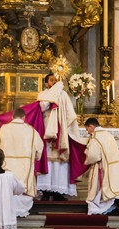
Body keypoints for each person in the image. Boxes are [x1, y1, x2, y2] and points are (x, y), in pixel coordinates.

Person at [36, 73, 87, 201]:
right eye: (52, 80)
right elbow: (42, 106)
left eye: (56, 80)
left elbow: (70, 115)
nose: (55, 82)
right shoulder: (43, 94)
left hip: (62, 131)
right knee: (48, 160)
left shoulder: (64, 95)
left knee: (61, 161)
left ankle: (59, 190)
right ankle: (46, 190)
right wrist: (54, 93)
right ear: (46, 83)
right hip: (47, 131)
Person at [0, 108, 44, 217]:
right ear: (24, 117)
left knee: (9, 188)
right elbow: (39, 149)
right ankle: (21, 211)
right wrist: (35, 157)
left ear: (12, 117)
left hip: (8, 166)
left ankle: (7, 211)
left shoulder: (3, 129)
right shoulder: (32, 131)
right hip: (25, 167)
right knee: (23, 188)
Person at [83, 117, 119, 215]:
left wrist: (86, 155)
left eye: (87, 129)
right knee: (114, 188)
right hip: (115, 166)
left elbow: (93, 156)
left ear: (91, 126)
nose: (88, 132)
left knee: (102, 191)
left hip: (102, 167)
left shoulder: (96, 137)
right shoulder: (108, 135)